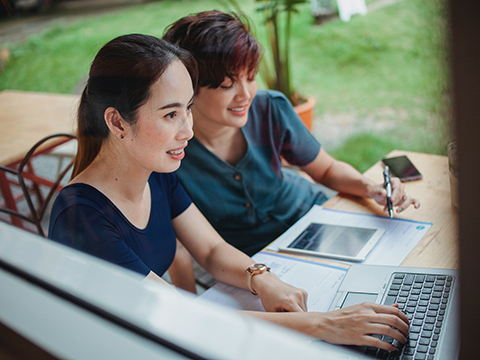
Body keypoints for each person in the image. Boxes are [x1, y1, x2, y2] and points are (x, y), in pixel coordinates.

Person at [48, 33, 409, 351]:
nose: (187, 130)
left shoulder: (154, 172)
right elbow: (183, 316)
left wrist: (261, 277)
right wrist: (324, 324)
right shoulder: (83, 217)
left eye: (188, 109)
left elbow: (211, 248)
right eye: (171, 115)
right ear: (116, 122)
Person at [163, 10, 421, 257]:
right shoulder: (169, 152)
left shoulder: (269, 108)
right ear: (188, 88)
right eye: (227, 85)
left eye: (251, 77)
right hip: (254, 258)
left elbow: (326, 169)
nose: (245, 95)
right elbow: (182, 248)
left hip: (313, 214)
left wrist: (372, 188)